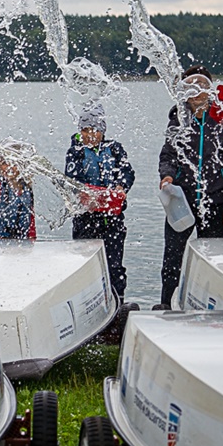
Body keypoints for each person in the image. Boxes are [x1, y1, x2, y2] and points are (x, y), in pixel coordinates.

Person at [157, 65, 223, 309]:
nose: (197, 93)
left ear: (211, 91)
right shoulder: (178, 117)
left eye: (202, 87)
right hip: (181, 201)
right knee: (172, 259)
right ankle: (166, 306)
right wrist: (166, 176)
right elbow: (168, 155)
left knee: (213, 260)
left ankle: (211, 308)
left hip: (215, 201)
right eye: (191, 88)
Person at [64, 104, 135, 300]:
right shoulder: (75, 151)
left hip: (113, 219)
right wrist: (85, 193)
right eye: (85, 130)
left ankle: (118, 300)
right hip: (85, 219)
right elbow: (71, 178)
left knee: (114, 266)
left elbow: (127, 172)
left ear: (102, 130)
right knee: (85, 264)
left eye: (94, 130)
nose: (90, 135)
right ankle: (86, 302)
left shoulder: (115, 149)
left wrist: (121, 186)